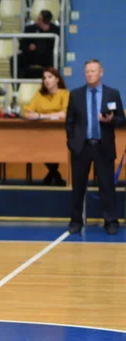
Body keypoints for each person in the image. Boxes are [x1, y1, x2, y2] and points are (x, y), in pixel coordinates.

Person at [66, 59, 125, 235]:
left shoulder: (112, 94)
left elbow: (121, 119)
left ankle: (111, 221)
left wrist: (111, 120)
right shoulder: (75, 94)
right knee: (78, 185)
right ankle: (76, 221)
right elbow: (69, 122)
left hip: (103, 146)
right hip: (81, 147)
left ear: (101, 72)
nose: (89, 74)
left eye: (93, 71)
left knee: (107, 186)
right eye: (87, 71)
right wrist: (71, 142)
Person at [23, 67, 70, 185]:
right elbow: (28, 113)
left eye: (50, 77)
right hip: (42, 134)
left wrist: (41, 116)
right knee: (40, 145)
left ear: (57, 79)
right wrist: (39, 115)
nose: (46, 80)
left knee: (55, 146)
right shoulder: (39, 95)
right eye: (44, 78)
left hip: (61, 133)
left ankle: (53, 174)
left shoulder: (65, 94)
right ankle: (54, 174)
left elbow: (65, 114)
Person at [12, 10, 61, 79]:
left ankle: (51, 80)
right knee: (14, 59)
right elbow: (22, 45)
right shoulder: (30, 29)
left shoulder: (56, 30)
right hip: (32, 55)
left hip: (47, 57)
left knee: (54, 59)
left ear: (45, 21)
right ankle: (17, 83)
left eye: (39, 19)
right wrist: (29, 47)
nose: (37, 21)